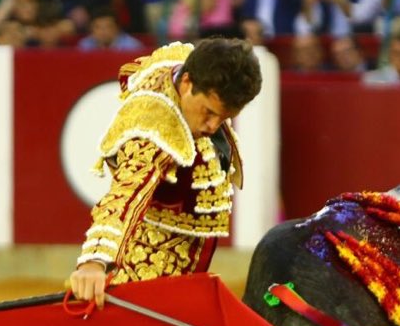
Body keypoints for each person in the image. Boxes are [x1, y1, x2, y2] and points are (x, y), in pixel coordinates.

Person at [69, 38, 263, 306]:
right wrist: (94, 260)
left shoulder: (181, 66)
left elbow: (133, 71)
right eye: (208, 112)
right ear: (186, 84)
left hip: (182, 273)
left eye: (224, 116)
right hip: (145, 278)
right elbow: (125, 195)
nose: (212, 125)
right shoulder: (154, 129)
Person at [78, 4, 145, 48]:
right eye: (98, 27)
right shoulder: (84, 46)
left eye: (108, 27)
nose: (103, 31)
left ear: (117, 28)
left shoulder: (132, 47)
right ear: (91, 29)